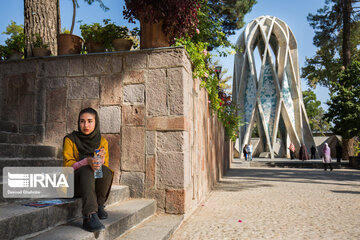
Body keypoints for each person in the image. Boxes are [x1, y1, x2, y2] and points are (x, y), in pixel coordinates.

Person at [63, 107, 113, 232]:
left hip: (91, 185)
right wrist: (86, 161)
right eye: (82, 121)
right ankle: (89, 215)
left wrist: (100, 160)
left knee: (106, 171)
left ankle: (99, 204)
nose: (85, 125)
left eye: (90, 121)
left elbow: (103, 169)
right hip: (73, 183)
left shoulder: (102, 141)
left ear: (96, 123)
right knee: (86, 170)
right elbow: (68, 167)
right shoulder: (70, 139)